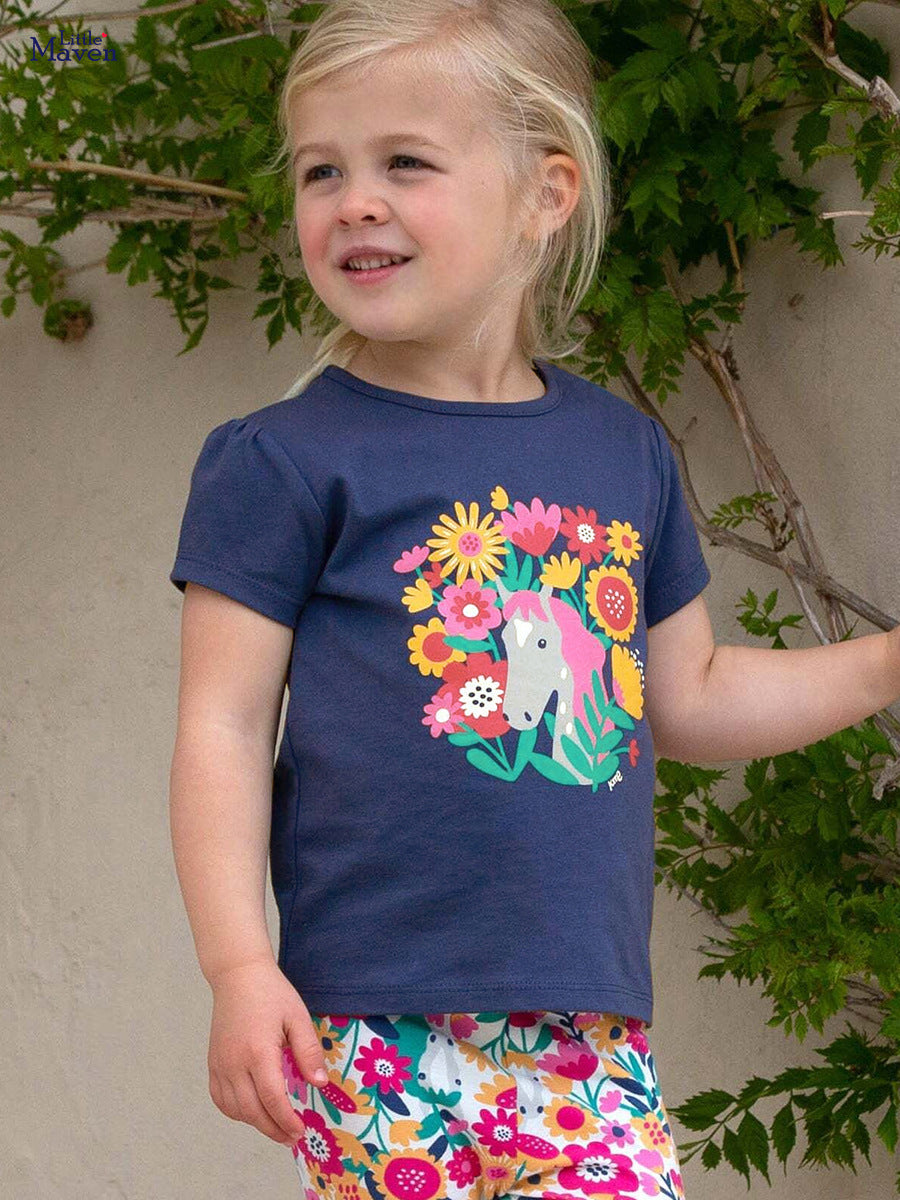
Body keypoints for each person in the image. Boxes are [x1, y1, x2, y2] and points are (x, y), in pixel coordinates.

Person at [167, 2, 900, 1198]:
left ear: (546, 194)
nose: (354, 201)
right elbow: (224, 725)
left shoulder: (622, 452)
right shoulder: (285, 461)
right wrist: (238, 967)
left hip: (588, 1034)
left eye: (405, 162)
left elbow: (691, 698)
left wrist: (884, 664)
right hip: (374, 1028)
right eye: (320, 170)